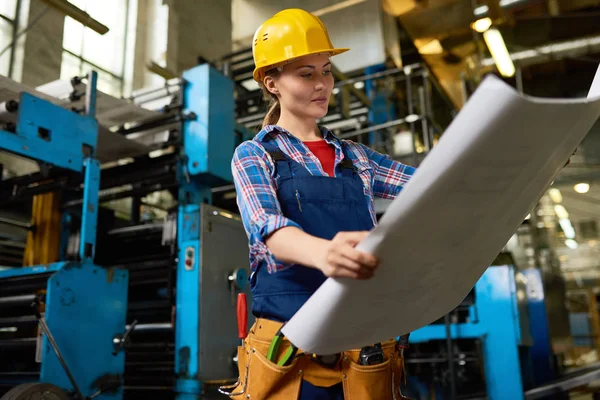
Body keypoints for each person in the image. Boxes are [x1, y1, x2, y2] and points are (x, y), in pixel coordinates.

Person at [226, 8, 416, 400]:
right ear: (272, 82)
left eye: (326, 70)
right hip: (290, 352)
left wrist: (525, 170)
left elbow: (433, 188)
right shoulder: (255, 154)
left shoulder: (358, 158)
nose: (322, 84)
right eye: (306, 74)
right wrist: (325, 253)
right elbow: (267, 226)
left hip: (364, 349)